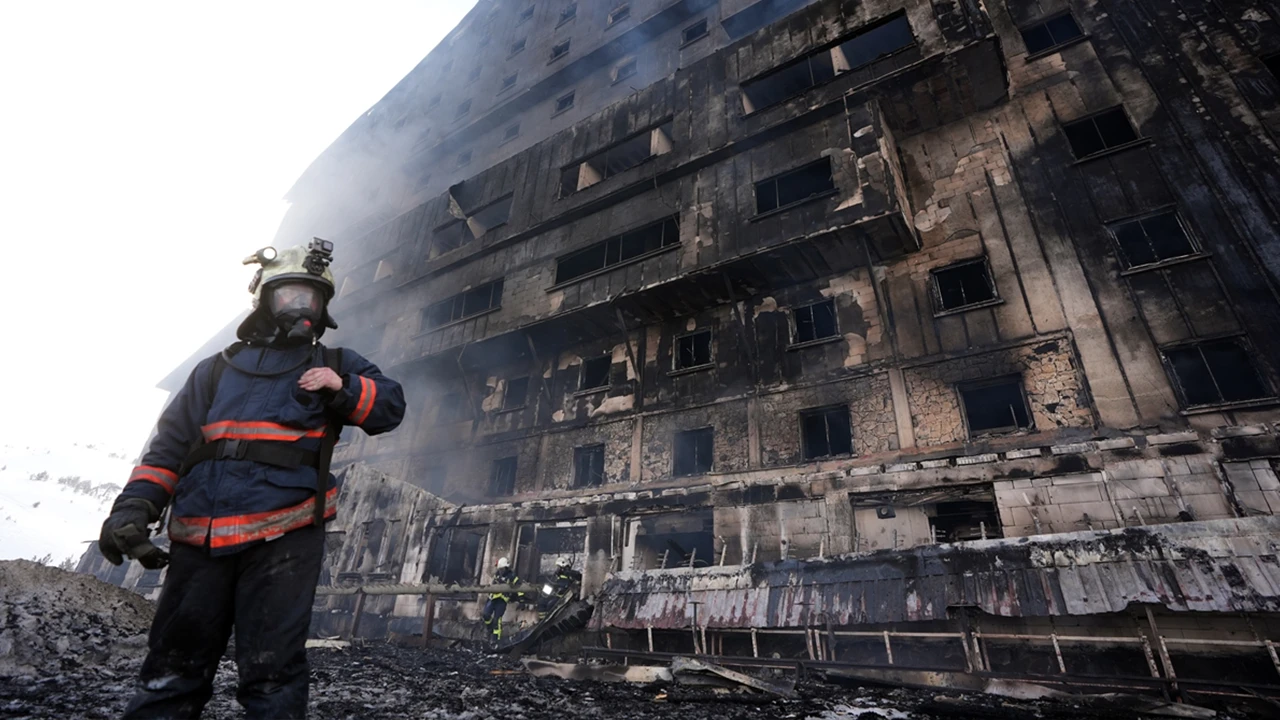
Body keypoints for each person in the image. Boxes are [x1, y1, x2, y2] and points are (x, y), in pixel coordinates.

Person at [97, 240, 406, 719]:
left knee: (272, 676)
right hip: (199, 537)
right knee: (170, 673)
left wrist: (342, 389)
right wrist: (134, 507)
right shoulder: (215, 370)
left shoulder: (337, 363)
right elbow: (169, 448)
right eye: (290, 295)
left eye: (313, 297)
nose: (302, 306)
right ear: (264, 299)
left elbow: (389, 407)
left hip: (284, 537)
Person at [480, 557, 520, 642]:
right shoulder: (497, 574)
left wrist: (521, 600)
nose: (500, 571)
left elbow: (520, 587)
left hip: (502, 600)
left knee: (497, 620)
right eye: (500, 569)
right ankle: (490, 629)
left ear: (506, 568)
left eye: (502, 569)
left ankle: (495, 640)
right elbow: (493, 585)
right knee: (486, 614)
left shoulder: (512, 576)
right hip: (492, 598)